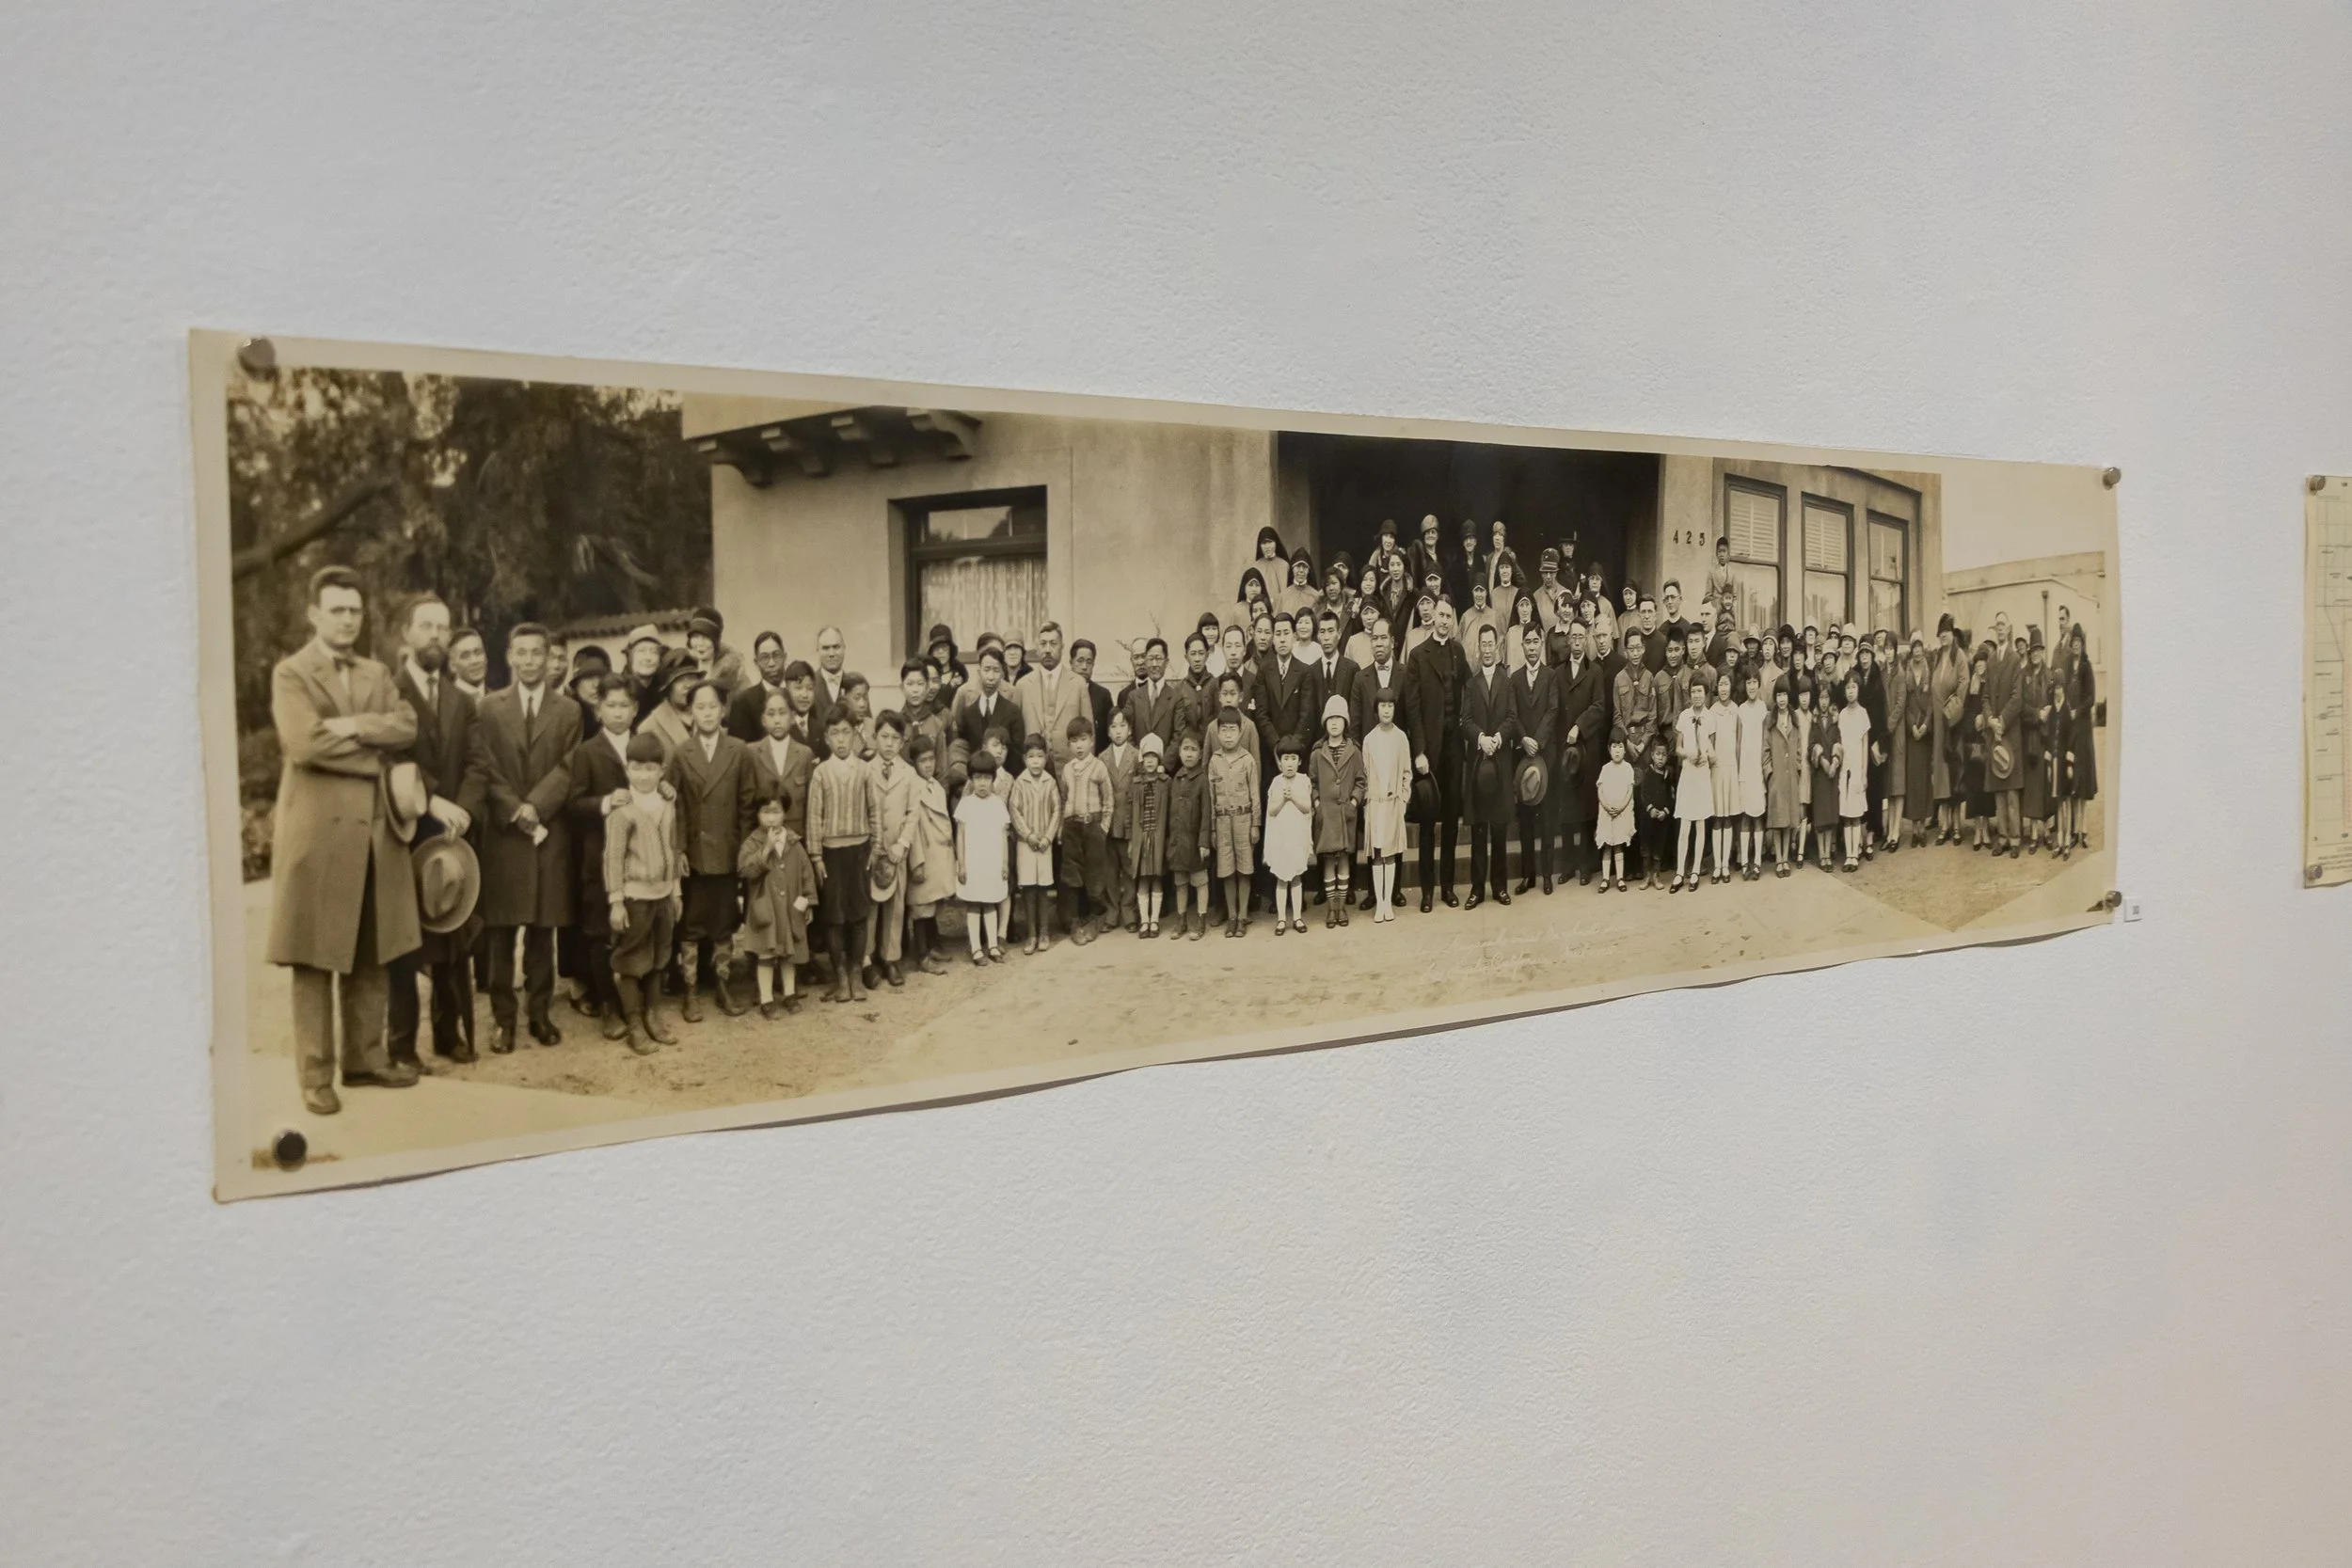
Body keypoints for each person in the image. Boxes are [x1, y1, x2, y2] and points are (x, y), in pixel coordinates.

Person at [264, 567, 422, 1116]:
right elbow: (304, 745)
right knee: (313, 955)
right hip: (317, 835)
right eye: (337, 610)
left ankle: (365, 1060)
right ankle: (315, 1075)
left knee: (369, 949)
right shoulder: (292, 674)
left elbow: (408, 726)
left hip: (373, 833)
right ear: (314, 615)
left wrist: (354, 726)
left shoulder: (378, 672)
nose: (348, 619)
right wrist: (375, 754)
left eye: (355, 610)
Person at [460, 621, 580, 1053]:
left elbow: (570, 765)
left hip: (547, 833)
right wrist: (515, 808)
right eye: (522, 653)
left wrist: (538, 806)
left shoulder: (568, 711)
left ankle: (540, 1014)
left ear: (549, 658)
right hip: (506, 833)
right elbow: (484, 765)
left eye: (537, 653)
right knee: (501, 933)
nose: (530, 661)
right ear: (510, 657)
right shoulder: (489, 708)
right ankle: (503, 1020)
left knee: (541, 933)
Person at [386, 593, 479, 1071]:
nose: (435, 636)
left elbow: (478, 762)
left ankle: (448, 1035)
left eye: (443, 628)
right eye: (426, 626)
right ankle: (401, 1045)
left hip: (451, 836)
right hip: (404, 831)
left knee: (451, 940)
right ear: (407, 633)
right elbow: (391, 760)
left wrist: (462, 809)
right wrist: (432, 799)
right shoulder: (388, 692)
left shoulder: (463, 702)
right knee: (405, 944)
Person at [666, 678, 755, 1021]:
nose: (706, 713)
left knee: (723, 923)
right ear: (690, 713)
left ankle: (722, 985)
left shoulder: (739, 750)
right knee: (691, 924)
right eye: (699, 707)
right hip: (695, 856)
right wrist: (679, 851)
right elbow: (674, 808)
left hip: (727, 851)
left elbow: (747, 805)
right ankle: (690, 989)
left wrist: (745, 850)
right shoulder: (679, 753)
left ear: (724, 710)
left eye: (712, 706)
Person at [564, 678, 644, 1042]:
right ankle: (607, 1006)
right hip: (599, 854)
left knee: (635, 927)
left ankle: (635, 1003)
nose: (618, 712)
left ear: (635, 710)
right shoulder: (588, 752)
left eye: (625, 705)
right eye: (611, 706)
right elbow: (573, 805)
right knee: (600, 932)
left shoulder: (644, 747)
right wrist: (604, 802)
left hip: (639, 854)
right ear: (598, 711)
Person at [601, 731, 683, 1052]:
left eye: (650, 768)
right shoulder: (622, 810)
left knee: (659, 956)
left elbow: (673, 849)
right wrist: (617, 901)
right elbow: (613, 857)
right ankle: (634, 1021)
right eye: (636, 768)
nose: (643, 775)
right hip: (635, 895)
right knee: (632, 960)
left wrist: (675, 890)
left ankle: (652, 1015)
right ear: (627, 770)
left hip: (663, 893)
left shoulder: (667, 803)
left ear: (661, 771)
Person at [805, 711, 877, 1003]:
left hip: (859, 851)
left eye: (846, 732)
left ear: (855, 735)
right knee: (834, 917)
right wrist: (816, 855)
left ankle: (856, 973)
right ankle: (841, 977)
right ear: (827, 738)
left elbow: (874, 811)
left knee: (858, 914)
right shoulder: (821, 772)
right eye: (835, 733)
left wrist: (876, 847)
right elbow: (814, 816)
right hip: (831, 853)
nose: (841, 739)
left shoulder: (864, 770)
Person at [1403, 601, 1469, 911]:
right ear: (1431, 619)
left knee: (1452, 819)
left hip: (1455, 747)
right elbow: (1412, 710)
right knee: (1429, 819)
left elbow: (1468, 692)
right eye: (1440, 615)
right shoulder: (1418, 655)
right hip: (1429, 750)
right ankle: (1427, 891)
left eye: (1448, 616)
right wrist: (1418, 752)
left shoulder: (1458, 651)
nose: (1444, 620)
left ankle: (1447, 887)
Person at [736, 793, 816, 1019]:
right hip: (766, 907)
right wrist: (766, 850)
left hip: (791, 907)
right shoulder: (753, 842)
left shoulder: (793, 841)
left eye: (776, 812)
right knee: (766, 954)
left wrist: (809, 900)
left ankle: (789, 994)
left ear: (784, 814)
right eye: (765, 812)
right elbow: (744, 870)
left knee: (789, 954)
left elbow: (806, 872)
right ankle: (766, 999)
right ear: (758, 815)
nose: (771, 818)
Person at [1458, 623, 1519, 909]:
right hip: (1478, 764)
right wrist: (1480, 739)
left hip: (1501, 762)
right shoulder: (1470, 685)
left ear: (1498, 646)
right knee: (1480, 829)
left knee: (1499, 828)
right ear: (1478, 648)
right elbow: (1465, 720)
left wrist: (1497, 738)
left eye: (1490, 643)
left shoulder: (1507, 682)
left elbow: (1511, 716)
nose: (1486, 649)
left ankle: (1499, 887)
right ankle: (1477, 889)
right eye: (1482, 644)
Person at [865, 712, 920, 986]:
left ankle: (891, 959)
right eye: (884, 737)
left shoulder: (909, 773)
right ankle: (866, 959)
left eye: (894, 738)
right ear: (875, 738)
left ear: (902, 743)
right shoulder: (865, 769)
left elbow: (913, 813)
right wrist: (870, 844)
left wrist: (903, 843)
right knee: (871, 907)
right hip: (872, 850)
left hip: (896, 850)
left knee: (895, 907)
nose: (888, 743)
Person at [898, 734, 957, 974]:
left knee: (933, 903)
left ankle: (933, 943)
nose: (929, 765)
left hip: (939, 853)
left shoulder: (936, 787)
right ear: (914, 763)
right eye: (923, 761)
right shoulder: (913, 788)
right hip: (923, 852)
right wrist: (917, 862)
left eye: (931, 759)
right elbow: (912, 828)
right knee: (921, 906)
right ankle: (921, 953)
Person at [1557, 620, 1610, 887]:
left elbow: (1599, 707)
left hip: (1587, 748)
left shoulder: (1595, 672)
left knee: (1587, 810)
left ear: (1587, 639)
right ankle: (1567, 865)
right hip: (1566, 750)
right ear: (1567, 641)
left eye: (1581, 636)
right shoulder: (1558, 673)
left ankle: (1587, 865)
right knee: (1566, 811)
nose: (1577, 641)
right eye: (1572, 637)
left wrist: (1579, 726)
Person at [1511, 624, 1560, 895]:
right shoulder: (1515, 678)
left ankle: (1547, 875)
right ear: (1522, 646)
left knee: (1547, 818)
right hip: (1523, 757)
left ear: (1542, 644)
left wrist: (1537, 741)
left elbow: (1553, 711)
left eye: (1535, 642)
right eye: (1527, 642)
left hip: (1546, 755)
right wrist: (1524, 740)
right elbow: (1513, 713)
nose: (1531, 647)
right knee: (1526, 819)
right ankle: (1528, 876)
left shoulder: (1551, 676)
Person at [1058, 717, 1116, 942]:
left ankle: (1096, 918)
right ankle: (1073, 921)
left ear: (1092, 741)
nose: (1079, 746)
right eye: (1074, 741)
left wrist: (1102, 828)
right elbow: (1064, 799)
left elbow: (1109, 801)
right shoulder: (1067, 769)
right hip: (1072, 827)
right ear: (1069, 744)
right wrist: (1064, 825)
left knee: (1094, 877)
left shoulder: (1099, 766)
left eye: (1083, 740)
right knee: (1072, 876)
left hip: (1093, 825)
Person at [1310, 696, 1364, 927]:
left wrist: (1354, 802)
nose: (1334, 723)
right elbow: (1311, 783)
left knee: (1343, 859)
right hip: (1326, 815)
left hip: (1345, 815)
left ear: (1345, 723)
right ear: (1324, 722)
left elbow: (1361, 781)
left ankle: (1342, 907)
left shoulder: (1354, 751)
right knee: (1328, 862)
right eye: (1330, 718)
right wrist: (1316, 804)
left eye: (1338, 718)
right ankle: (1331, 909)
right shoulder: (1317, 753)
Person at [1209, 706, 1262, 937]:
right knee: (1227, 871)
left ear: (1241, 732)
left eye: (1233, 730)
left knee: (1244, 869)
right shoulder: (1214, 761)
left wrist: (1255, 824)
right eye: (1224, 730)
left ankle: (1242, 917)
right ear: (1218, 733)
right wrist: (1212, 827)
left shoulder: (1247, 759)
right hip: (1222, 822)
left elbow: (1255, 794)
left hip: (1243, 819)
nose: (1228, 735)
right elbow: (1211, 798)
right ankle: (1231, 916)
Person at [1006, 733, 1061, 954]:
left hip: (1044, 845)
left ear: (1046, 758)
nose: (1036, 761)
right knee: (1028, 889)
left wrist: (1048, 837)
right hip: (1026, 844)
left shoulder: (1050, 782)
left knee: (1042, 889)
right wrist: (1028, 835)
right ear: (1025, 759)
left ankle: (1045, 932)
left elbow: (1057, 810)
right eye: (1031, 757)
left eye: (1039, 756)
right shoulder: (1020, 782)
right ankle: (1031, 935)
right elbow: (1014, 811)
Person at [953, 753, 1011, 964]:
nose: (983, 783)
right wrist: (961, 864)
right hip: (973, 863)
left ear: (992, 779)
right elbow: (960, 835)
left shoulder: (997, 804)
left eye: (987, 778)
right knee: (974, 904)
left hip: (992, 863)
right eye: (978, 778)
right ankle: (976, 948)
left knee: (990, 902)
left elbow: (1004, 837)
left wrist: (1004, 863)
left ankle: (993, 945)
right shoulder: (966, 805)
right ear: (971, 780)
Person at [1979, 612, 2026, 855]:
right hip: (1994, 732)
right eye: (1996, 625)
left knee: (2011, 791)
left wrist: (2002, 721)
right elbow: (1985, 697)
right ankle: (2004, 837)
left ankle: (2016, 838)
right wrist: (1990, 719)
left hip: (2009, 732)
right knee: (1998, 788)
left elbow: (2018, 699)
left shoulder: (2015, 659)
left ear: (2009, 628)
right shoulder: (1991, 660)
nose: (1999, 629)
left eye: (2002, 625)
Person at [1014, 621, 1088, 774]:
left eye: (1053, 644)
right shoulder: (1023, 685)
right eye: (1043, 644)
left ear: (1062, 646)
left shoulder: (1078, 684)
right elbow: (1016, 733)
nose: (1048, 650)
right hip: (1034, 769)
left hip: (1071, 769)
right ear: (1037, 648)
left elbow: (1088, 731)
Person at [747, 687, 817, 845]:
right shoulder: (751, 753)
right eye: (771, 714)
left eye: (782, 713)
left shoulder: (805, 754)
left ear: (792, 717)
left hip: (796, 841)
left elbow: (810, 806)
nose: (777, 720)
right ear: (763, 720)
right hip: (762, 841)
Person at [950, 646, 1024, 789]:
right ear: (979, 672)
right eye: (987, 670)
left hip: (1004, 784)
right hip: (976, 784)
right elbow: (963, 748)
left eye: (996, 670)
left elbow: (1017, 753)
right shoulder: (968, 713)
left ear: (1002, 673)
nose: (991, 677)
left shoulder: (1012, 711)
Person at [1165, 731, 1215, 940]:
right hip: (1178, 841)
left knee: (1200, 880)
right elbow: (1171, 813)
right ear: (1179, 752)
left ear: (1201, 753)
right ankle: (1181, 918)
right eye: (1185, 749)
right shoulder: (1176, 779)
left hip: (1195, 842)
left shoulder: (1202, 779)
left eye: (1194, 750)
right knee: (1181, 882)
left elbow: (1206, 813)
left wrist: (1203, 842)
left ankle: (1201, 919)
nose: (1189, 754)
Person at [1262, 736, 1314, 934]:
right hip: (1282, 839)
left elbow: (1307, 807)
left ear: (1299, 761)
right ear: (1280, 762)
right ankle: (1282, 919)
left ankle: (1298, 917)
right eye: (1286, 758)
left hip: (1296, 838)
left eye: (1293, 758)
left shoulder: (1304, 781)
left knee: (1297, 877)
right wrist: (1283, 799)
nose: (1289, 763)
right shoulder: (1276, 782)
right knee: (1282, 878)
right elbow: (1272, 811)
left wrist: (1293, 796)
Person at [1121, 733, 1172, 936]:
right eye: (1147, 756)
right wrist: (1130, 840)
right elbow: (1128, 813)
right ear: (1142, 758)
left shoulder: (1165, 782)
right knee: (1142, 879)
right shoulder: (1135, 784)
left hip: (1158, 838)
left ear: (1159, 759)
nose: (1150, 761)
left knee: (1157, 878)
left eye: (1154, 756)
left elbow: (1170, 812)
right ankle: (1144, 921)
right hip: (1141, 837)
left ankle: (1154, 921)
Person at [1100, 708, 1140, 929]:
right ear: (1108, 731)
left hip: (1128, 821)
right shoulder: (1102, 758)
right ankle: (1112, 912)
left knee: (1130, 868)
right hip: (1108, 823)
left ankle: (1129, 912)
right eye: (1114, 726)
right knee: (1110, 871)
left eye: (1122, 726)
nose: (1118, 731)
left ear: (1130, 729)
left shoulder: (1137, 756)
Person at [2060, 622, 2098, 853]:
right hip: (2069, 729)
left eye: (2078, 643)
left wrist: (2077, 711)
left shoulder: (2087, 666)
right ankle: (2073, 830)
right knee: (2071, 777)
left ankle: (2082, 829)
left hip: (2082, 730)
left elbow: (2091, 698)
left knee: (2082, 781)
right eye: (2073, 643)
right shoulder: (2066, 666)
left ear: (2083, 645)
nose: (2075, 646)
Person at [1672, 680, 1711, 893]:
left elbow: (1712, 749)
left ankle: (1696, 870)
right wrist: (1688, 753)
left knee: (1700, 824)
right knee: (1685, 826)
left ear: (1705, 694)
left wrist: (1706, 756)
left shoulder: (1709, 717)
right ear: (1689, 694)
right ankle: (1680, 872)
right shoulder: (1684, 717)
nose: (1696, 695)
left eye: (1700, 691)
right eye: (1693, 691)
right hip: (1688, 774)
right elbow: (1677, 748)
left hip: (1702, 775)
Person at [2019, 626, 2053, 852]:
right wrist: (2036, 714)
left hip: (2046, 738)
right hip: (2030, 737)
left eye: (2039, 650)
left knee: (2046, 786)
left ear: (2043, 651)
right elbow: (2021, 706)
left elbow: (2054, 702)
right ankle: (2033, 835)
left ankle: (2047, 833)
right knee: (2032, 787)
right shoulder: (2025, 676)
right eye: (2033, 650)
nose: (2036, 654)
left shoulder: (2049, 675)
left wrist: (2046, 713)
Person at [1764, 684, 1804, 877]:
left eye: (1784, 695)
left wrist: (1797, 767)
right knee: (1778, 820)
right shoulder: (1770, 720)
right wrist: (1769, 772)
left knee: (1788, 820)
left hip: (1791, 778)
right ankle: (1778, 858)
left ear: (1789, 697)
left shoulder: (1794, 719)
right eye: (1778, 695)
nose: (1781, 699)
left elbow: (1798, 749)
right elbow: (1765, 750)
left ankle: (1786, 858)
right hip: (1777, 777)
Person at [1733, 670, 1769, 879]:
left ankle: (1757, 863)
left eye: (1755, 682)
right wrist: (1739, 771)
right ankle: (1744, 862)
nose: (1752, 686)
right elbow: (1738, 743)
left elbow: (1765, 741)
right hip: (1745, 770)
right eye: (1749, 682)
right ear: (1745, 686)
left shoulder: (1764, 709)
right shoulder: (1741, 710)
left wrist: (1764, 769)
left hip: (1758, 769)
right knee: (1746, 816)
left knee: (1757, 817)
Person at [726, 630, 791, 742]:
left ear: (784, 657)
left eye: (776, 655)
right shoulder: (742, 703)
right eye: (764, 658)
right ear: (756, 662)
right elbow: (739, 753)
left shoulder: (795, 696)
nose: (771, 663)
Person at [1836, 673, 1871, 871]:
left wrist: (1864, 773)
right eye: (1848, 687)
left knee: (1856, 813)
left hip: (1857, 770)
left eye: (1854, 687)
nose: (1851, 691)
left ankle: (1854, 854)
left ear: (1858, 689)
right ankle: (1848, 854)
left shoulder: (1863, 714)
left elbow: (1865, 745)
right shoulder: (1841, 715)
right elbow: (1840, 743)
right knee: (1846, 813)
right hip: (1844, 770)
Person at [1593, 734, 1634, 892]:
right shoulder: (1606, 768)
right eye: (1614, 747)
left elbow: (1630, 790)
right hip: (1607, 812)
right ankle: (1605, 878)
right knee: (1607, 846)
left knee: (1618, 845)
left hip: (1620, 812)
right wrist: (1606, 805)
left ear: (1625, 750)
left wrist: (1621, 807)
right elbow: (1600, 790)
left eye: (1620, 747)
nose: (1617, 751)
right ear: (1609, 750)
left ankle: (1620, 878)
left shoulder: (1627, 768)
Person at [1636, 734, 1676, 891]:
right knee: (1647, 847)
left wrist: (1665, 811)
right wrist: (1651, 809)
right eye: (1657, 754)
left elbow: (1671, 796)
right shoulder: (1648, 773)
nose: (1660, 758)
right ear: (1651, 755)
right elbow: (1644, 794)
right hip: (1648, 819)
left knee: (1659, 847)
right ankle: (1647, 875)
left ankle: (1656, 875)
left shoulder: (1668, 775)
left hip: (1662, 819)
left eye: (1664, 755)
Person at [448, 626, 490, 701]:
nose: (474, 661)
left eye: (478, 653)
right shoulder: (443, 703)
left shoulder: (499, 702)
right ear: (452, 666)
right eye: (465, 656)